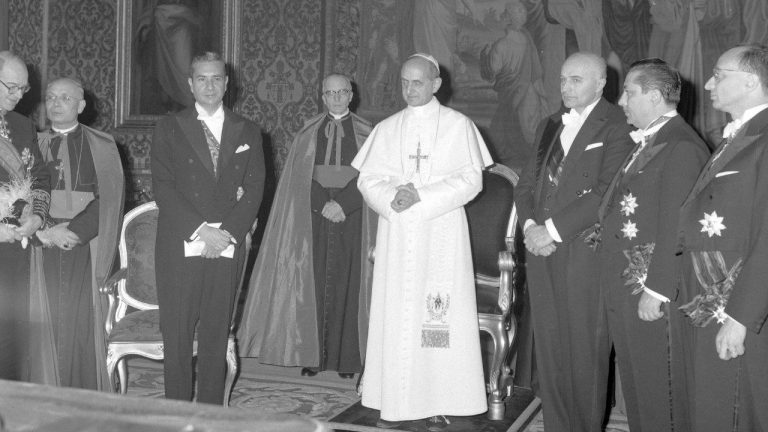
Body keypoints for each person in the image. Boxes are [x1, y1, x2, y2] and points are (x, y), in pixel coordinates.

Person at [351, 53, 492, 431]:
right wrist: (391, 197)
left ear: (435, 83)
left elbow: (471, 180)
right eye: (404, 82)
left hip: (441, 235)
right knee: (399, 314)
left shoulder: (458, 126)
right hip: (397, 234)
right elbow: (368, 179)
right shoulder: (388, 128)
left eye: (417, 82)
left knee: (437, 316)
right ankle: (395, 398)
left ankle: (441, 396)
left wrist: (422, 197)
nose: (409, 90)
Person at [513, 52, 633, 432]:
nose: (566, 87)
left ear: (602, 83)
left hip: (584, 251)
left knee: (584, 354)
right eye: (563, 79)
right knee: (550, 351)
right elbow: (527, 183)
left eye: (576, 80)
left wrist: (551, 230)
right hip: (541, 250)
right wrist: (532, 226)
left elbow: (606, 191)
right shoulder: (550, 123)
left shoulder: (618, 123)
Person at [596, 59, 709, 432]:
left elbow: (675, 225)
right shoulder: (653, 139)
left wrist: (657, 290)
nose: (622, 100)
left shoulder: (681, 146)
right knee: (639, 386)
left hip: (651, 290)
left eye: (629, 91)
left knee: (659, 391)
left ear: (655, 96)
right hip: (629, 285)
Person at [237, 74, 375, 379]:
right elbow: (298, 178)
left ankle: (348, 361)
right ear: (322, 97)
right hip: (316, 214)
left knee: (350, 282)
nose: (337, 98)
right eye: (330, 93)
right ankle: (313, 356)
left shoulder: (369, 133)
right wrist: (322, 203)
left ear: (351, 95)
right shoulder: (307, 133)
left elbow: (373, 175)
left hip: (354, 214)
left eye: (342, 92)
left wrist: (345, 203)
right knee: (312, 283)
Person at [151, 51, 265, 404]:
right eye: (202, 78)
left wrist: (227, 232)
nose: (210, 85)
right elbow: (163, 187)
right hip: (182, 242)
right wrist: (203, 230)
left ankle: (211, 417)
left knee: (217, 336)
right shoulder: (169, 127)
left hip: (227, 244)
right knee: (178, 337)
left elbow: (256, 187)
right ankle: (176, 416)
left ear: (227, 83)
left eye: (217, 78)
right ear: (190, 83)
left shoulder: (247, 130)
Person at [678, 44, 768, 432]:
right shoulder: (739, 135)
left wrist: (740, 316)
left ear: (750, 81)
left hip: (739, 304)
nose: (710, 82)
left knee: (735, 413)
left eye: (719, 74)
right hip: (712, 296)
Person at [33, 77, 125, 390]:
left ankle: (77, 391)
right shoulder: (30, 143)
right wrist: (45, 231)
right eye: (50, 98)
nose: (56, 104)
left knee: (78, 322)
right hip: (40, 241)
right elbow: (17, 196)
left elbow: (111, 197)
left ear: (81, 106)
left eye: (65, 98)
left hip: (84, 243)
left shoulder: (102, 144)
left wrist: (74, 230)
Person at [0, 51, 50, 382]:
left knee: (9, 344)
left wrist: (37, 218)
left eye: (23, 89)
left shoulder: (22, 125)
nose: (19, 96)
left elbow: (41, 179)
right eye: (11, 87)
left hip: (13, 252)